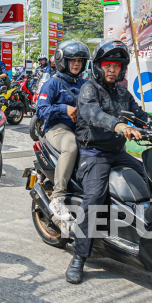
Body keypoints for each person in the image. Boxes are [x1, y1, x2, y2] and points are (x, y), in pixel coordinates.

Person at [66, 39, 152, 284]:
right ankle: (79, 258)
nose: (112, 69)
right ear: (98, 66)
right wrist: (117, 125)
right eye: (108, 64)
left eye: (117, 65)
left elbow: (140, 114)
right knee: (94, 198)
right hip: (93, 154)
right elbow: (92, 114)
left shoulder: (122, 92)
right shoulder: (89, 89)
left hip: (117, 153)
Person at [35, 40, 89, 223]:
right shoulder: (52, 84)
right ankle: (58, 198)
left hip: (81, 129)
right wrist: (63, 109)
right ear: (62, 61)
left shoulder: (85, 84)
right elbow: (40, 110)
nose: (76, 64)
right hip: (58, 128)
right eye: (72, 60)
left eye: (80, 61)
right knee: (71, 146)